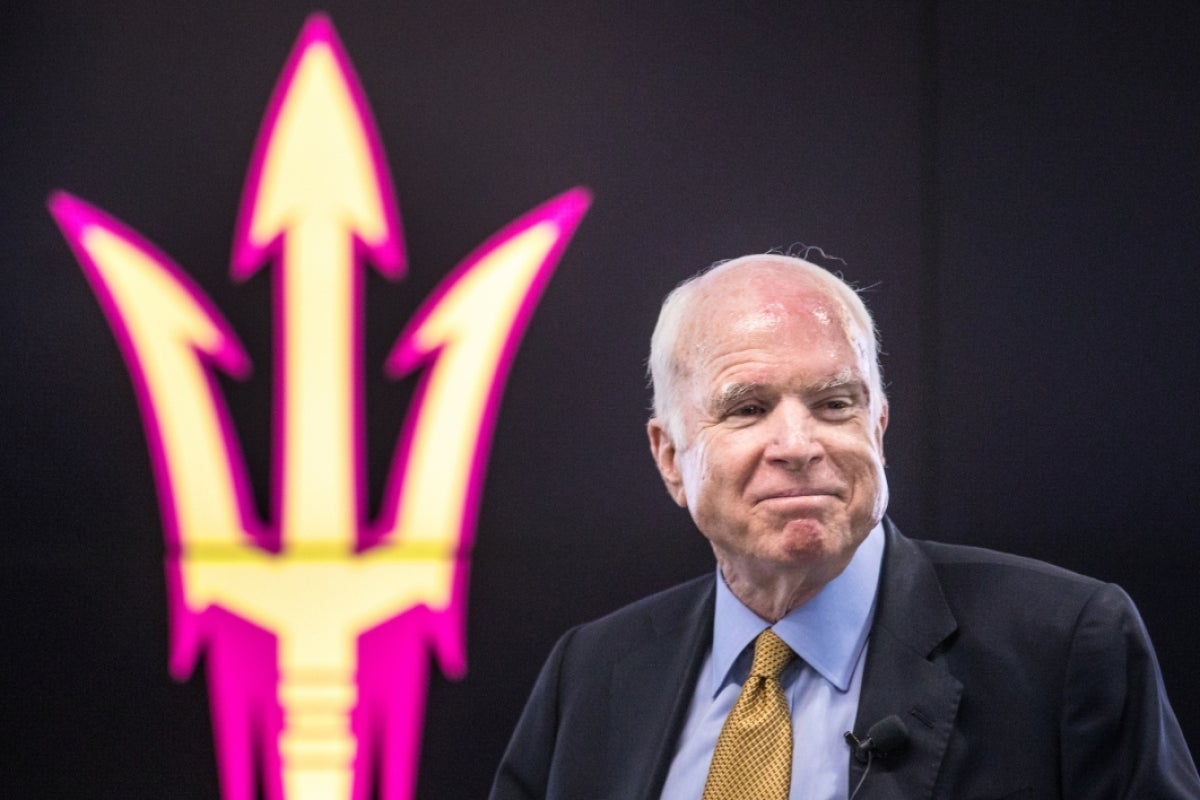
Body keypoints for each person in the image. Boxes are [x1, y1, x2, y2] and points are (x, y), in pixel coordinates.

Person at [488, 254, 1200, 799]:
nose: (798, 444)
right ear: (670, 457)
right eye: (747, 408)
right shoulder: (589, 675)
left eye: (834, 404)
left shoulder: (1064, 646)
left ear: (879, 428)